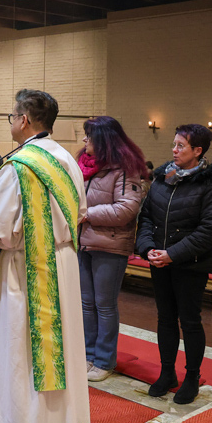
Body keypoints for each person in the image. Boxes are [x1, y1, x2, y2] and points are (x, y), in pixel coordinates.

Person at [0, 89, 89, 423]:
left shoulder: (18, 165)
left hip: (25, 270)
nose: (10, 122)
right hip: (62, 263)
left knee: (21, 353)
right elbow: (81, 211)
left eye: (12, 116)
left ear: (24, 120)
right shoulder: (66, 159)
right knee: (55, 352)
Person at [137, 124, 212, 404]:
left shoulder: (211, 185)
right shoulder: (163, 178)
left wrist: (172, 254)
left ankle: (191, 377)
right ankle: (167, 373)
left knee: (189, 321)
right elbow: (146, 217)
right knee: (165, 319)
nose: (174, 150)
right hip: (160, 262)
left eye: (180, 146)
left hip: (190, 264)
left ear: (197, 151)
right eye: (173, 144)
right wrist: (148, 248)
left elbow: (208, 231)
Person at [78, 116, 147, 383]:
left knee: (104, 305)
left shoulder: (125, 168)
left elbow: (127, 208)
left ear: (104, 140)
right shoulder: (83, 165)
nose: (85, 140)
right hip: (83, 242)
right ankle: (87, 355)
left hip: (110, 245)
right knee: (86, 304)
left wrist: (86, 214)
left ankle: (104, 360)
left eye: (89, 136)